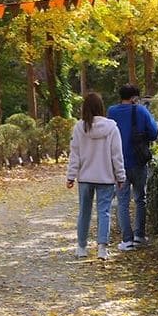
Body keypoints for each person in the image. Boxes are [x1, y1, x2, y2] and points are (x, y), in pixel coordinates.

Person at [66, 91, 126, 260]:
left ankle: (81, 247)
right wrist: (120, 177)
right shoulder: (112, 128)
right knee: (104, 212)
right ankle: (102, 248)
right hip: (106, 177)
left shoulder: (79, 127)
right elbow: (117, 155)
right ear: (101, 107)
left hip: (85, 177)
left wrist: (71, 176)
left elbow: (75, 155)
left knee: (84, 212)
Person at [108, 84, 158, 250]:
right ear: (134, 97)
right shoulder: (141, 110)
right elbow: (154, 133)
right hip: (138, 161)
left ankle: (127, 240)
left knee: (122, 202)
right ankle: (139, 236)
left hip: (118, 163)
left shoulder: (112, 112)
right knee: (140, 199)